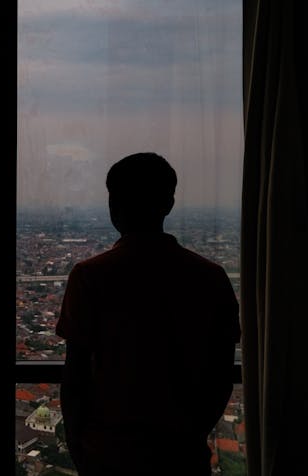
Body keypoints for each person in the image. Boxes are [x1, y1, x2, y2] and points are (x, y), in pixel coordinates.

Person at [56, 152, 240, 476]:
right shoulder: (210, 278)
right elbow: (221, 375)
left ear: (113, 206)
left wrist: (78, 446)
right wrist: (192, 432)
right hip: (182, 455)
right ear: (168, 204)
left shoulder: (90, 276)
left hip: (108, 454)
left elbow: (75, 376)